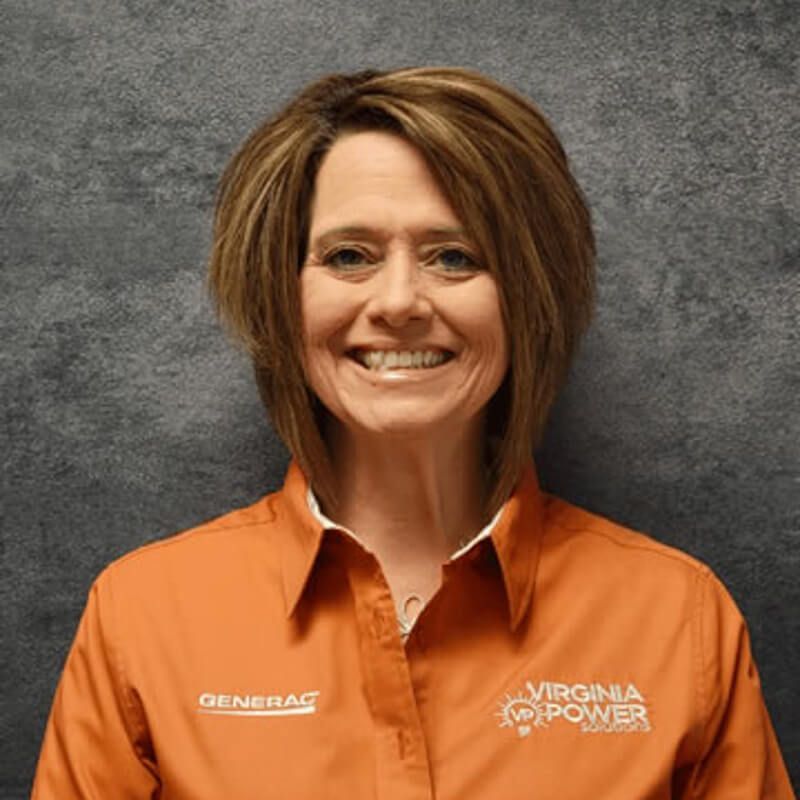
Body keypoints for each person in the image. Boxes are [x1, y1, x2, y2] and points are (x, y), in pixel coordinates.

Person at [31, 66, 794, 798]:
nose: (399, 300)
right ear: (282, 297)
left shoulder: (677, 620)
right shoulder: (145, 616)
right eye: (349, 256)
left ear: (529, 296)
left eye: (455, 257)